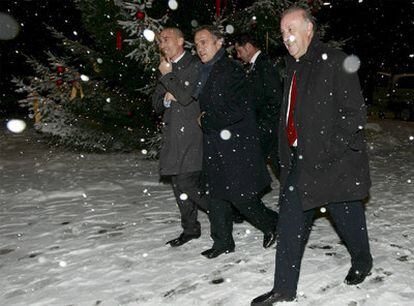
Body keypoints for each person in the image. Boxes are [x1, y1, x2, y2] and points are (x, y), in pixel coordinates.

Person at [251, 7, 373, 305]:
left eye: (291, 29)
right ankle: (284, 289)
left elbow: (353, 115)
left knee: (349, 221)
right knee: (290, 223)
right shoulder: (292, 66)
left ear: (309, 30)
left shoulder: (335, 61)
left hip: (335, 166)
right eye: (282, 32)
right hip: (300, 164)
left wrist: (328, 151)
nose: (286, 37)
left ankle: (363, 260)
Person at [193, 25, 278, 259]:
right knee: (215, 194)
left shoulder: (230, 69)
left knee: (240, 197)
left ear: (219, 43)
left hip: (234, 144)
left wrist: (208, 120)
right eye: (197, 44)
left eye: (204, 42)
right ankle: (222, 242)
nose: (200, 48)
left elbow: (238, 109)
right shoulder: (205, 71)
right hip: (215, 143)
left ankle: (272, 223)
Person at [152, 27, 208, 248]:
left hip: (192, 135)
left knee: (187, 182)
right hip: (172, 135)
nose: (162, 44)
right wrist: (166, 99)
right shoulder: (165, 67)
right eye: (160, 41)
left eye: (166, 39)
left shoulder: (194, 64)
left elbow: (185, 97)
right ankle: (190, 229)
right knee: (178, 184)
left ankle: (222, 211)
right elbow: (155, 103)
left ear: (181, 41)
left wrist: (168, 77)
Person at [234, 33, 282, 171]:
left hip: (270, 129)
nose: (238, 55)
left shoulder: (264, 66)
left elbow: (274, 98)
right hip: (266, 127)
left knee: (278, 166)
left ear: (248, 47)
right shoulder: (256, 66)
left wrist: (264, 126)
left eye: (239, 50)